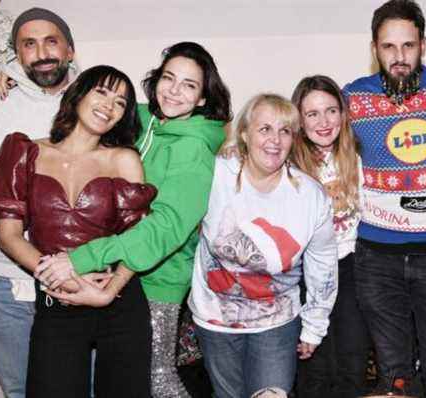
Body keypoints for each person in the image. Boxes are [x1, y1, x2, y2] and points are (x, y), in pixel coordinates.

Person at [34, 41, 231, 397]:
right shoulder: (144, 120)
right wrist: (10, 81)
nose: (174, 90)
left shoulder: (192, 149)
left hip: (158, 280)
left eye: (189, 85)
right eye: (168, 78)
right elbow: (94, 99)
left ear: (203, 98)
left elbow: (165, 227)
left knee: (158, 382)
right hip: (121, 269)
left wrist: (83, 261)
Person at [0, 65, 154, 397]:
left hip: (119, 299)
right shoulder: (25, 152)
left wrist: (108, 289)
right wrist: (68, 281)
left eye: (120, 102)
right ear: (78, 94)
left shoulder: (124, 159)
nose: (109, 105)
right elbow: (9, 236)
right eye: (102, 92)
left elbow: (140, 239)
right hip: (56, 298)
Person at [342, 1, 426, 396]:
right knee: (394, 378)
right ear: (374, 48)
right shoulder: (352, 98)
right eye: (388, 47)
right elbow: (315, 142)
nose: (399, 58)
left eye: (408, 46)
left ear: (423, 45)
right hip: (376, 256)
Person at [0, 8, 77, 397]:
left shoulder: (96, 102)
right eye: (29, 44)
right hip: (3, 282)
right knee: (19, 390)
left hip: (78, 279)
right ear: (17, 54)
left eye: (51, 41)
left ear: (70, 50)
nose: (41, 52)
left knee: (84, 388)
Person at [188, 93, 338, 397]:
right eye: (265, 128)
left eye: (285, 131)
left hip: (277, 324)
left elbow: (323, 266)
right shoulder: (215, 175)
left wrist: (314, 326)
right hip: (215, 321)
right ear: (244, 133)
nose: (275, 140)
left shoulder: (310, 197)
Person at [290, 75, 370, 398]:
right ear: (299, 120)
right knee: (315, 366)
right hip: (306, 272)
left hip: (351, 264)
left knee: (352, 359)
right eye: (312, 114)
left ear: (343, 114)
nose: (323, 122)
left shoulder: (360, 155)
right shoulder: (289, 164)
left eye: (331, 111)